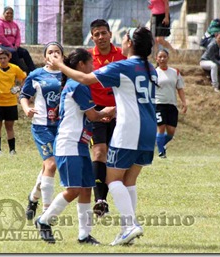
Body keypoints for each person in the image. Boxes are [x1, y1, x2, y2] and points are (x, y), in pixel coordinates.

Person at [48, 26, 157, 246]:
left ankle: (130, 226)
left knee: (112, 179)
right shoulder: (151, 68)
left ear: (131, 44)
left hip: (129, 130)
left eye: (125, 38)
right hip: (149, 129)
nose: (123, 41)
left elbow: (85, 78)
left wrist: (59, 65)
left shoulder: (123, 66)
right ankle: (128, 233)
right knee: (129, 181)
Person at [35, 48, 115, 244]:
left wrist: (104, 113)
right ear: (81, 65)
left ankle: (84, 235)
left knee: (87, 188)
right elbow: (93, 116)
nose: (93, 67)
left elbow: (90, 116)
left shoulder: (76, 85)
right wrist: (111, 110)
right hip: (68, 144)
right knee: (73, 190)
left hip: (80, 144)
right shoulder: (77, 85)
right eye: (90, 64)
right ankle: (44, 221)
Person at [19, 42, 64, 221]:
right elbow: (24, 95)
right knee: (51, 164)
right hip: (41, 126)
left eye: (57, 52)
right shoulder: (36, 74)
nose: (53, 54)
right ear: (45, 57)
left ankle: (33, 198)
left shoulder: (68, 74)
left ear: (62, 56)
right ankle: (46, 213)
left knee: (48, 166)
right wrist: (26, 108)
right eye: (50, 52)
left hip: (62, 127)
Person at [87, 19, 126, 217]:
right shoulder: (87, 59)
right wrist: (95, 111)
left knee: (114, 158)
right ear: (92, 37)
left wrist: (116, 109)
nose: (101, 37)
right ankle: (100, 201)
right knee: (100, 152)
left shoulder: (122, 56)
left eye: (104, 33)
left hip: (121, 111)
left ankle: (111, 197)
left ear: (110, 34)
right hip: (95, 111)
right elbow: (81, 85)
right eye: (97, 34)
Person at [155, 49, 187, 158]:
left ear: (168, 58)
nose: (162, 59)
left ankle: (157, 143)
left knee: (171, 132)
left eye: (164, 56)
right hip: (158, 104)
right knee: (161, 128)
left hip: (171, 105)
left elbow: (180, 88)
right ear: (157, 59)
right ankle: (161, 152)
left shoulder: (175, 72)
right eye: (160, 57)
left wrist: (184, 102)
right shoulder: (154, 73)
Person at [0, 6, 36, 74]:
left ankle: (33, 70)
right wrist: (10, 45)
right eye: (7, 13)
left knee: (24, 52)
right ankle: (22, 71)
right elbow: (0, 37)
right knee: (13, 52)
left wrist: (16, 45)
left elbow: (18, 36)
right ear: (4, 13)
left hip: (13, 45)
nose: (9, 15)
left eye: (11, 13)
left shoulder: (14, 24)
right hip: (2, 45)